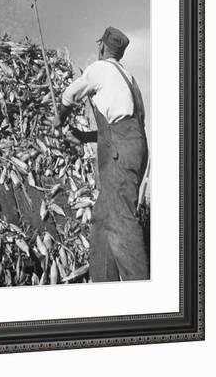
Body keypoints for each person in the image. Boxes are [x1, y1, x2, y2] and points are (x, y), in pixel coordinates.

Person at [54, 26, 149, 282]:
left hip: (120, 151)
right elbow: (119, 129)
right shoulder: (129, 80)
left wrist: (58, 119)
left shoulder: (99, 69)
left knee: (121, 222)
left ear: (102, 47)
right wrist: (84, 136)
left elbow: (69, 94)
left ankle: (139, 292)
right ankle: (103, 285)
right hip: (131, 148)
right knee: (102, 218)